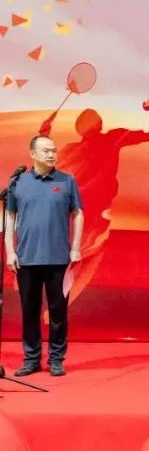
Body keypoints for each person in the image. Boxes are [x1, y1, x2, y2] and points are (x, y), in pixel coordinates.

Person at [38, 108, 149, 302]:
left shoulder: (71, 150)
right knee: (90, 256)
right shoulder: (113, 138)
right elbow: (148, 136)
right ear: (98, 124)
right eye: (98, 118)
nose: (101, 119)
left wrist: (44, 133)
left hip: (70, 210)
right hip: (93, 212)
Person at [4, 135, 84, 377]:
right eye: (46, 150)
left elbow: (77, 213)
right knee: (30, 311)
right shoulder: (18, 183)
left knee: (58, 312)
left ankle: (56, 359)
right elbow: (10, 216)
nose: (51, 154)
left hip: (58, 259)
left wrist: (75, 247)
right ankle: (31, 359)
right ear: (32, 154)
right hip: (26, 258)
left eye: (54, 150)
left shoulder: (67, 181)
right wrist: (10, 251)